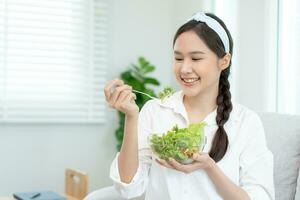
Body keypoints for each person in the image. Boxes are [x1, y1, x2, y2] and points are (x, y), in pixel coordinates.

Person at [104, 11, 275, 200]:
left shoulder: (246, 123)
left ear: (224, 61)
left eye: (196, 58)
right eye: (178, 58)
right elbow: (129, 188)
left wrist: (209, 167)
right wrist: (131, 117)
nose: (184, 69)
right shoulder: (155, 111)